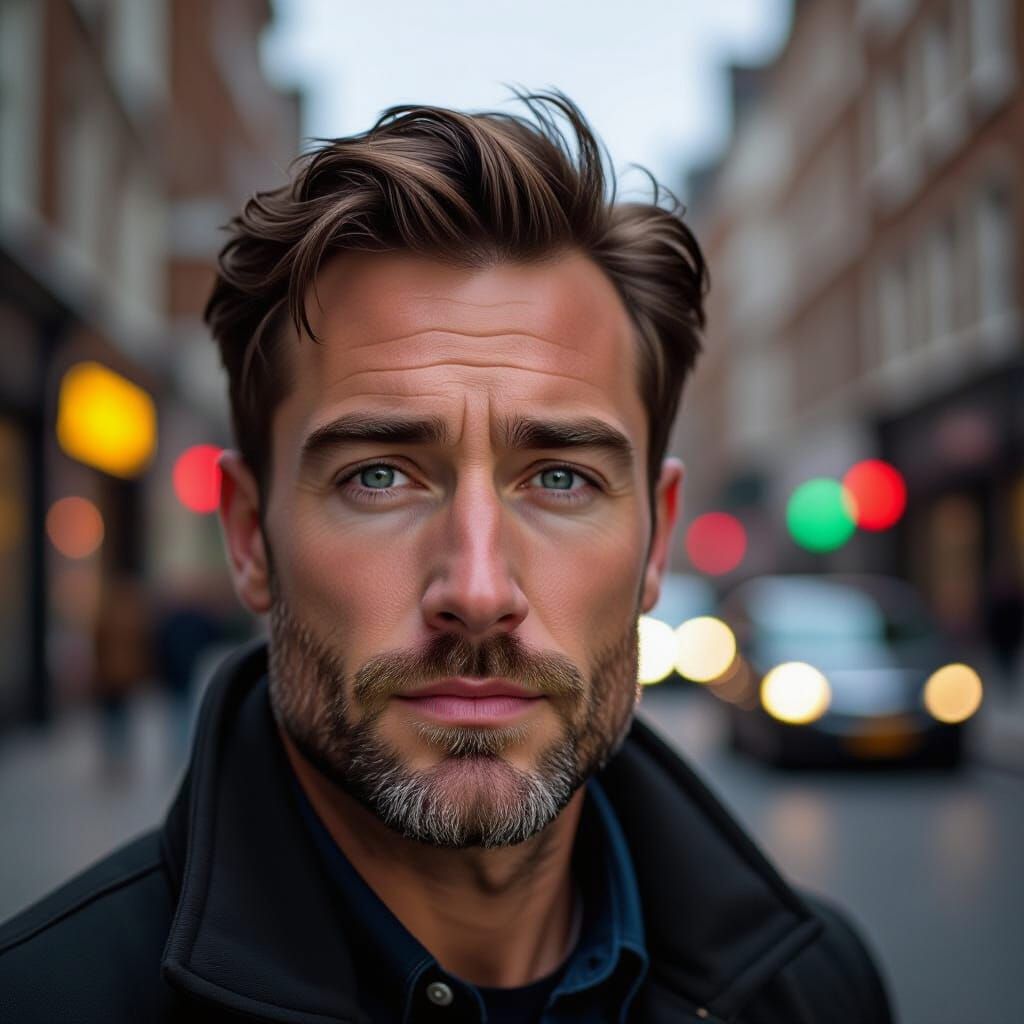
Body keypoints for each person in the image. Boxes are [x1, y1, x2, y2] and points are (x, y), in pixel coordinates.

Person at [0, 93, 892, 1023]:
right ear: (248, 535)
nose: (476, 589)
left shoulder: (820, 993)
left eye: (560, 479)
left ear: (658, 541)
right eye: (379, 476)